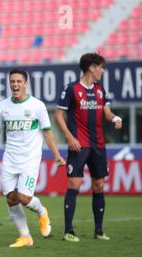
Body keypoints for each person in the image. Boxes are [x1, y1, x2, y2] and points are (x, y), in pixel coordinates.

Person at [0, 69, 66, 248]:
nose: (15, 85)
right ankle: (25, 237)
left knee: (23, 196)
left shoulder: (37, 106)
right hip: (9, 159)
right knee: (11, 198)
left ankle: (41, 211)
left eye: (18, 82)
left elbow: (47, 132)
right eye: (12, 82)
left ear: (25, 84)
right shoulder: (3, 106)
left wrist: (57, 155)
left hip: (30, 159)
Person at [55, 53, 122, 242]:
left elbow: (106, 112)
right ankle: (69, 230)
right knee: (74, 184)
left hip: (98, 145)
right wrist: (69, 137)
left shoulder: (100, 90)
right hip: (79, 145)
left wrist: (115, 118)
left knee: (99, 185)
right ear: (92, 67)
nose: (102, 71)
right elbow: (58, 115)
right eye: (101, 67)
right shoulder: (71, 89)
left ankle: (99, 231)